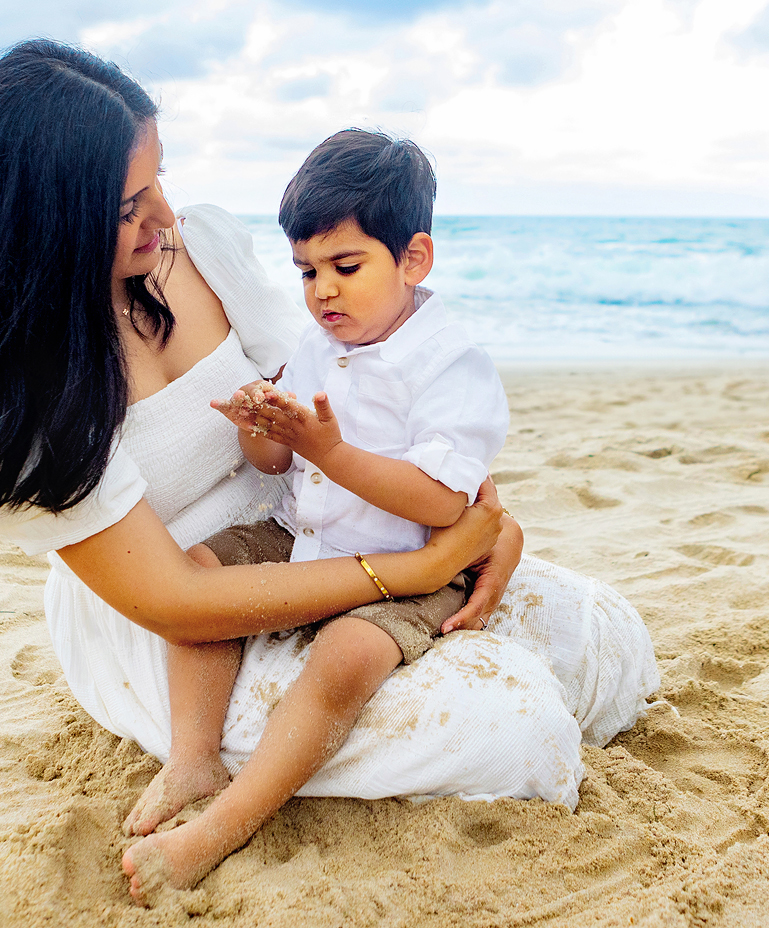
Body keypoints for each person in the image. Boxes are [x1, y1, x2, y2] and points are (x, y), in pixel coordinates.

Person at [0, 39, 659, 906]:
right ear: (42, 226)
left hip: (317, 521)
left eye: (159, 182)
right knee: (510, 722)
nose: (165, 218)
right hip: (187, 613)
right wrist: (406, 570)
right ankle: (208, 781)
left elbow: (340, 400)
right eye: (126, 207)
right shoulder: (17, 397)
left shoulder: (197, 249)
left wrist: (480, 528)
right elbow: (175, 602)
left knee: (598, 634)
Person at [122, 129, 519, 894]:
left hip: (410, 559)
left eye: (345, 267)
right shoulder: (315, 344)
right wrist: (259, 425)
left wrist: (332, 454)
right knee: (201, 569)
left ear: (413, 259)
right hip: (302, 531)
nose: (322, 291)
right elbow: (275, 464)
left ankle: (229, 821)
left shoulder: (449, 361)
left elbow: (443, 498)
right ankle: (194, 755)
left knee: (349, 657)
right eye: (305, 271)